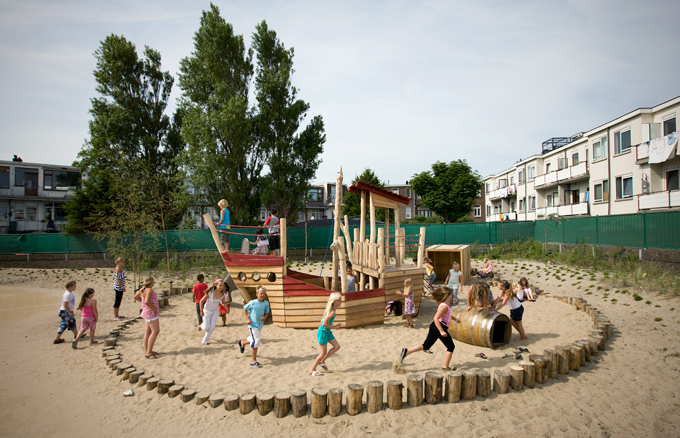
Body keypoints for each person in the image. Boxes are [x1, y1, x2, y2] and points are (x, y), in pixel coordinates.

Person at [398, 286, 460, 371]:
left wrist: (455, 319)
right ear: (448, 296)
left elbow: (447, 315)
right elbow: (436, 318)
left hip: (435, 327)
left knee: (426, 346)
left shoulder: (446, 305)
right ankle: (446, 367)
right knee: (451, 346)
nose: (452, 296)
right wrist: (441, 331)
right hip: (439, 327)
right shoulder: (444, 306)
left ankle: (407, 351)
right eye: (451, 294)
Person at [309, 292, 343, 376]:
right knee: (323, 353)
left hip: (327, 332)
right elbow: (324, 324)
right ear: (334, 301)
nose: (341, 302)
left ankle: (322, 361)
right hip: (323, 333)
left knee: (337, 347)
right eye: (339, 300)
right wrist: (335, 326)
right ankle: (312, 369)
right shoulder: (332, 312)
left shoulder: (332, 310)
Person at [237, 287, 270, 367]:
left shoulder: (266, 303)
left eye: (264, 294)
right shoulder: (252, 302)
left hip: (260, 325)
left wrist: (264, 317)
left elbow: (266, 313)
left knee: (253, 339)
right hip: (252, 324)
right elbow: (244, 309)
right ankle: (253, 361)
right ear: (257, 294)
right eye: (261, 293)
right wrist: (247, 319)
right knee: (256, 341)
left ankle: (242, 343)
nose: (262, 295)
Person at [135, 276, 160, 359]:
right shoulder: (149, 290)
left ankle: (148, 350)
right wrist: (153, 308)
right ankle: (148, 352)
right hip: (151, 313)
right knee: (155, 331)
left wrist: (143, 303)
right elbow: (147, 301)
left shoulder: (142, 289)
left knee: (148, 332)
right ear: (151, 283)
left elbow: (136, 297)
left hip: (146, 312)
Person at [199, 279, 231, 345]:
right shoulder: (210, 293)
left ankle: (205, 341)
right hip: (207, 311)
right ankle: (201, 326)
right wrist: (201, 311)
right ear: (216, 285)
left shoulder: (222, 294)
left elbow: (223, 303)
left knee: (212, 327)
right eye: (220, 285)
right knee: (206, 327)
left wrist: (227, 309)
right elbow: (201, 301)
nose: (221, 287)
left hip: (215, 311)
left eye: (223, 285)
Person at [54, 280, 78, 344]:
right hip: (65, 311)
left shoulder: (70, 293)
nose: (75, 287)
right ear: (70, 287)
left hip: (68, 311)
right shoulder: (67, 294)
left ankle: (77, 335)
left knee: (72, 323)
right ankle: (57, 339)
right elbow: (65, 304)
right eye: (74, 286)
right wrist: (69, 312)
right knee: (64, 325)